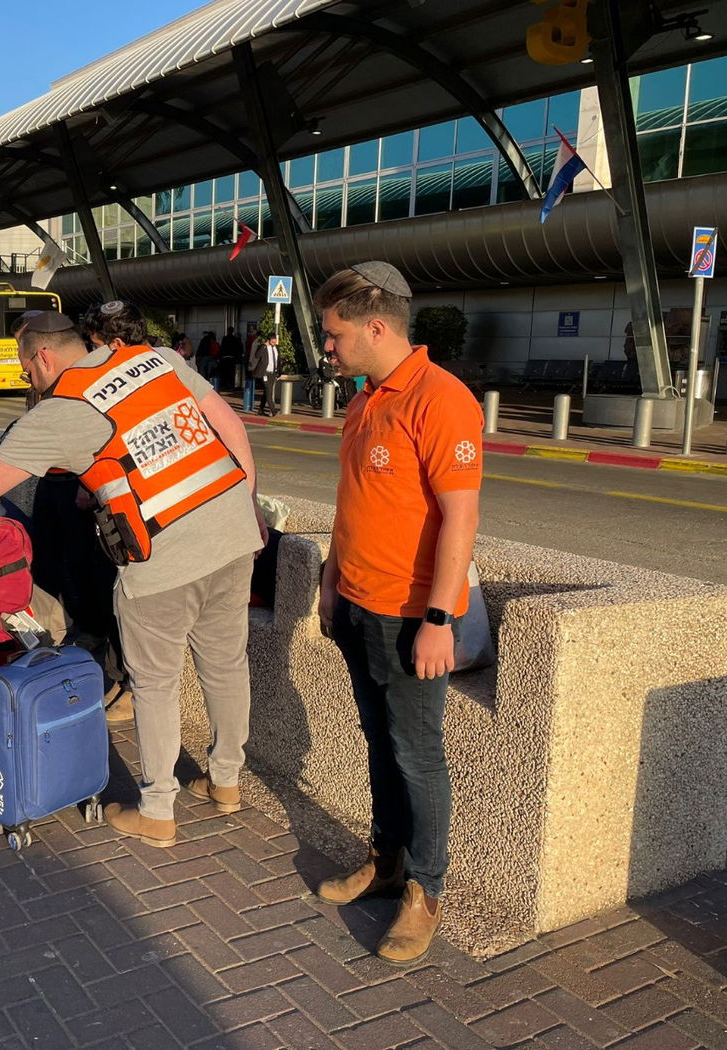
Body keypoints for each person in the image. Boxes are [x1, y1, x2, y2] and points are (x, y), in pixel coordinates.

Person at [0, 304, 267, 849]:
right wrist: (244, 507)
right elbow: (229, 428)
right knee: (225, 666)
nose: (25, 378)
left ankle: (157, 810)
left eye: (24, 366)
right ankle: (226, 781)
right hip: (231, 533)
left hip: (165, 560)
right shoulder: (153, 360)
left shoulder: (61, 411)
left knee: (154, 683)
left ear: (41, 355)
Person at [312, 261, 482, 967]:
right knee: (378, 741)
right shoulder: (365, 397)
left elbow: (460, 518)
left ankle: (426, 892)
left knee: (417, 754)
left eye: (334, 334)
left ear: (376, 326)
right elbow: (358, 504)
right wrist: (329, 581)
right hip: (356, 604)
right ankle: (385, 861)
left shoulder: (440, 400)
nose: (326, 347)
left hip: (413, 616)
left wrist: (439, 619)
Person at [248, 333, 280, 416]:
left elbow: (278, 360)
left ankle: (260, 410)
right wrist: (263, 345)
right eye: (272, 342)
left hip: (273, 373)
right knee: (268, 391)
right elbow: (257, 355)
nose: (274, 343)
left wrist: (278, 373)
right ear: (268, 340)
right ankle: (273, 411)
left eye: (275, 342)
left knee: (266, 392)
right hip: (265, 373)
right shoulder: (264, 347)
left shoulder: (276, 348)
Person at [218, 326, 243, 393]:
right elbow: (238, 349)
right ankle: (231, 386)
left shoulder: (225, 338)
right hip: (232, 358)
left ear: (228, 331)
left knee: (225, 372)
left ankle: (225, 385)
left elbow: (222, 348)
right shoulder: (235, 339)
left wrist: (220, 357)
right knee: (231, 373)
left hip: (225, 358)